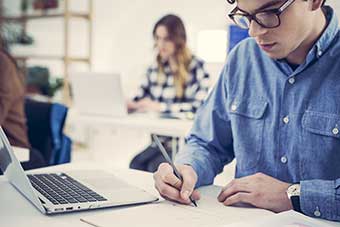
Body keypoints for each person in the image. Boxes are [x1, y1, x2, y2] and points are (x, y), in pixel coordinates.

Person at [153, 0, 340, 222]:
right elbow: (206, 144)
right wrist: (187, 169)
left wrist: (293, 195)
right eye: (246, 16)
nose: (254, 31)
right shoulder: (242, 59)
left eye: (269, 13)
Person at [128, 14, 210, 172]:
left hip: (183, 143)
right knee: (135, 165)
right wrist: (131, 103)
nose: (160, 44)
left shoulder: (196, 67)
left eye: (166, 39)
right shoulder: (155, 67)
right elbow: (140, 96)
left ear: (179, 39)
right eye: (157, 38)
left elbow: (197, 107)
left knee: (155, 168)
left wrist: (159, 107)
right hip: (159, 142)